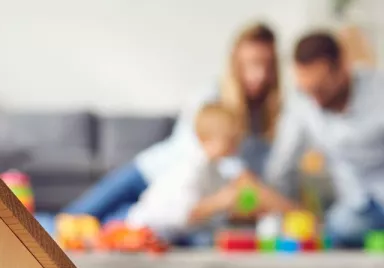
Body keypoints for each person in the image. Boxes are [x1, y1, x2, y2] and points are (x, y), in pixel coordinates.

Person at [63, 23, 281, 223]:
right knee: (71, 220)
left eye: (267, 65)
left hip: (172, 202)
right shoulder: (209, 98)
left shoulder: (264, 118)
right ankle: (29, 226)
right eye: (252, 64)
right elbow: (229, 166)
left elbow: (253, 178)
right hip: (148, 174)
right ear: (236, 64)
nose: (260, 75)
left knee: (109, 229)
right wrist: (287, 207)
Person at [266, 32, 384, 247]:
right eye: (308, 90)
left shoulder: (379, 90)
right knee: (341, 225)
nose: (315, 99)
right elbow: (281, 167)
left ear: (343, 67)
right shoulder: (301, 104)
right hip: (353, 207)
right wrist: (283, 213)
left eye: (320, 88)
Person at [126, 104, 295, 240]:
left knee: (216, 235)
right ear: (205, 139)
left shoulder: (216, 170)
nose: (236, 146)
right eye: (229, 140)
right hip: (145, 230)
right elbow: (186, 213)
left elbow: (224, 206)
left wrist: (246, 209)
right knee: (207, 240)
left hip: (176, 234)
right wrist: (220, 202)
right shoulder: (191, 168)